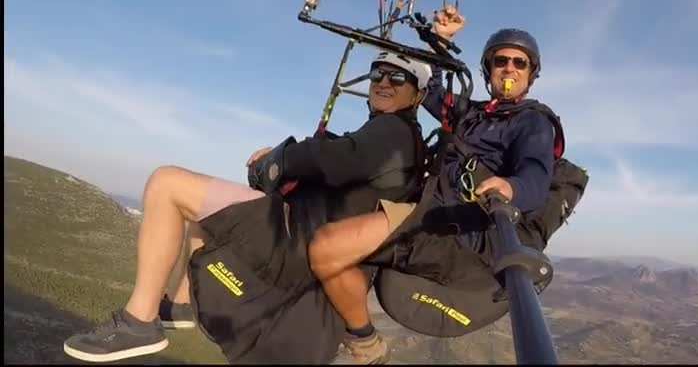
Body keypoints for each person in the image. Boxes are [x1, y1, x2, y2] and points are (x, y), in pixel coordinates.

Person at [62, 52, 433, 363]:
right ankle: (182, 305)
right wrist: (283, 155)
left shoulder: (392, 133)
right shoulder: (393, 138)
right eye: (377, 74)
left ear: (417, 95)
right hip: (297, 231)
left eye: (398, 77)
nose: (383, 82)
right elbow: (344, 159)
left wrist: (278, 159)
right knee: (205, 213)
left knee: (166, 183)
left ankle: (138, 322)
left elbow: (331, 159)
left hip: (292, 240)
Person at [307, 6, 557, 364]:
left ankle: (365, 345)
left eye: (520, 63)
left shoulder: (532, 122)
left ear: (531, 74)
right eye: (501, 60)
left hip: (455, 233)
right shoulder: (473, 115)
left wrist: (509, 187)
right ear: (489, 68)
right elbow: (436, 91)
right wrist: (441, 39)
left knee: (326, 247)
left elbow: (536, 178)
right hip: (431, 208)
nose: (509, 69)